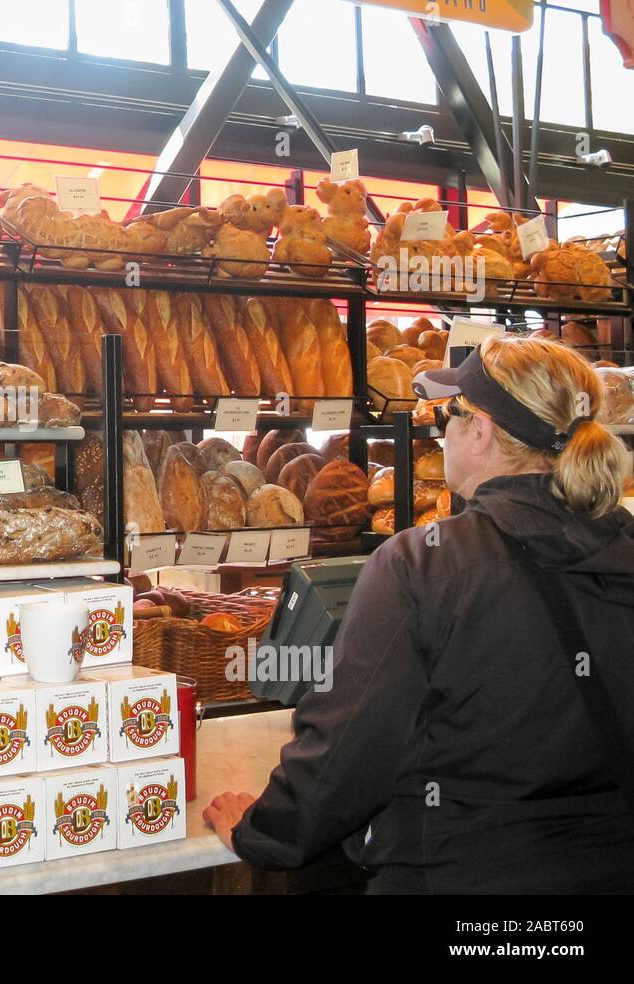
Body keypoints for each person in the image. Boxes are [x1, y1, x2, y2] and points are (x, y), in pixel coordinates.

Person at [203, 335, 634, 894]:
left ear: (479, 430)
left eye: (445, 417)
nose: (440, 432)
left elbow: (348, 754)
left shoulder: (421, 564)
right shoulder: (620, 548)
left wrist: (264, 833)